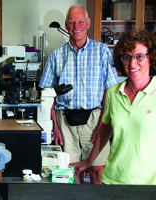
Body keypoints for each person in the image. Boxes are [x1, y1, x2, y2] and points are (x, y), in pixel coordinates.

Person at [38, 5, 118, 184]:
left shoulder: (102, 51)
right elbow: (47, 94)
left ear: (88, 23)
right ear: (66, 25)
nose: (76, 26)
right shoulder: (57, 56)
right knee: (72, 172)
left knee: (98, 170)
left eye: (80, 22)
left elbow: (110, 90)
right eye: (72, 22)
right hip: (65, 121)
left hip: (95, 118)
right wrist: (55, 127)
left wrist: (103, 121)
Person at [71, 29, 156, 184]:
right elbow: (105, 129)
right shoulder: (113, 93)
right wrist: (88, 162)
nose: (132, 63)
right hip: (113, 181)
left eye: (139, 56)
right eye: (127, 57)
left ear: (151, 58)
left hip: (148, 185)